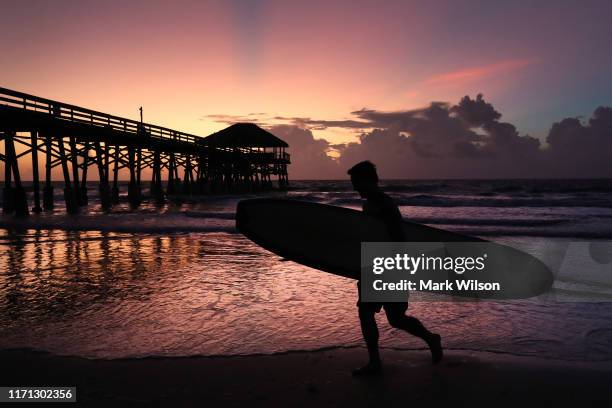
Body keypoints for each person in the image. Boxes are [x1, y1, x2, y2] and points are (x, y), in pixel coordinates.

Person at [348, 160, 443, 376]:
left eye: (356, 182)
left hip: (389, 268)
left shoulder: (385, 205)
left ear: (368, 180)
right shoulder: (369, 204)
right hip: (374, 265)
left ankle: (430, 338)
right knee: (368, 313)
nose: (354, 188)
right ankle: (375, 362)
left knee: (394, 318)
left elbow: (399, 240)